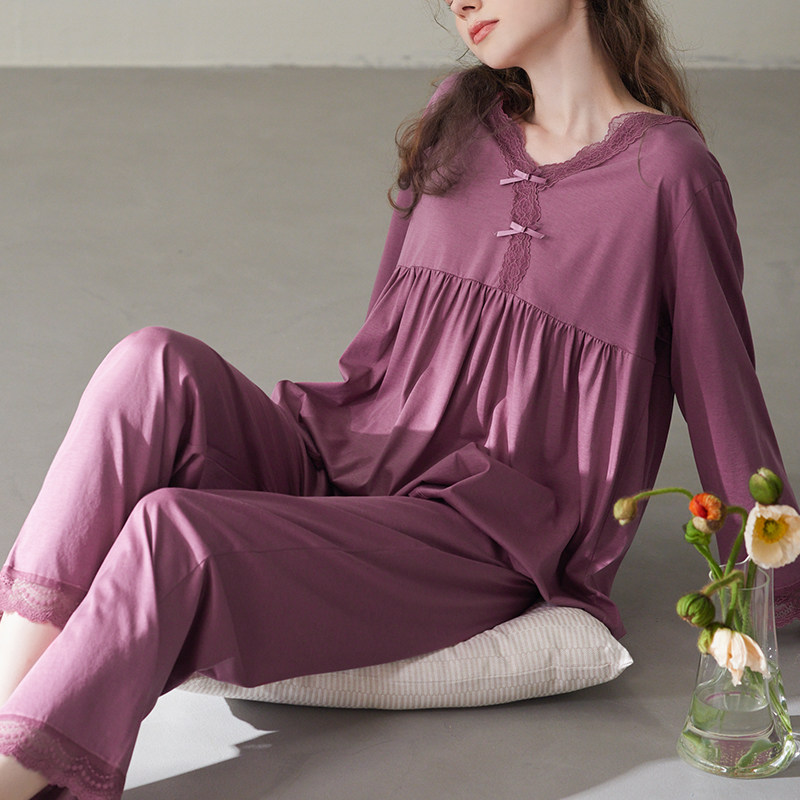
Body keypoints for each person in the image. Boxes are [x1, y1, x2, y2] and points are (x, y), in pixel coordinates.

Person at [1, 1, 797, 797]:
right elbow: (386, 337)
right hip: (347, 462)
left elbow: (721, 390)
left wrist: (773, 583)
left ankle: (23, 773)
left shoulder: (669, 174)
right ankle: (10, 718)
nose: (460, 2)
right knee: (147, 363)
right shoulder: (458, 115)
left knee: (174, 532)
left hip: (471, 536)